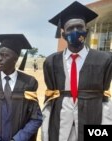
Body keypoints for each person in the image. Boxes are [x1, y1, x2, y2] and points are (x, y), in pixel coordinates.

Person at [42, 1, 112, 141]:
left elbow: (105, 99)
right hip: (60, 120)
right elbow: (50, 99)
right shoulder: (51, 62)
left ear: (86, 30)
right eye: (70, 28)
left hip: (92, 116)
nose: (75, 31)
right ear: (63, 34)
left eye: (79, 27)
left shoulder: (104, 60)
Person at [0, 34, 42, 141]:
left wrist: (19, 139)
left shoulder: (28, 82)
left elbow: (36, 118)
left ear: (15, 59)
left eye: (5, 55)